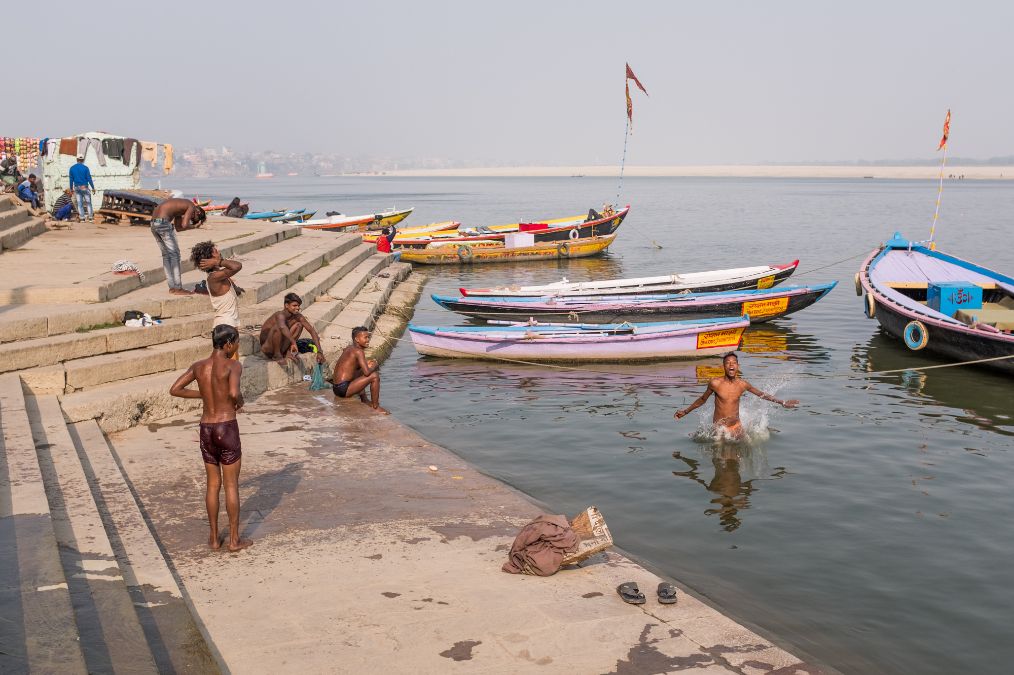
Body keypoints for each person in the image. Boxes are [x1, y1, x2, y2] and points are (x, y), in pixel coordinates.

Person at [168, 324, 252, 552]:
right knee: (231, 484)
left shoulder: (198, 367)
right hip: (226, 426)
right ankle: (234, 540)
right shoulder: (233, 365)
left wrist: (204, 393)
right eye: (235, 343)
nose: (236, 347)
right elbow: (234, 392)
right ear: (227, 344)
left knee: (213, 484)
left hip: (206, 428)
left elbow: (175, 389)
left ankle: (214, 538)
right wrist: (240, 402)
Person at [674, 352, 798, 440]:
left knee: (743, 452)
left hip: (736, 426)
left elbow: (762, 394)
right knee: (720, 460)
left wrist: (782, 402)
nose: (731, 365)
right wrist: (685, 412)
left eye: (734, 363)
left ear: (738, 366)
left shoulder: (742, 384)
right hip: (720, 428)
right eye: (728, 363)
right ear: (724, 367)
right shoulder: (715, 383)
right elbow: (702, 400)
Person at [150, 198, 206, 295]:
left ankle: (172, 288)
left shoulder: (180, 208)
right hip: (163, 223)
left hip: (154, 223)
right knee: (175, 255)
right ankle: (178, 288)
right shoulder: (191, 206)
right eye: (194, 219)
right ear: (197, 212)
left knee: (166, 255)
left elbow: (179, 228)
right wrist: (194, 226)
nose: (191, 220)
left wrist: (191, 226)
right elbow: (184, 225)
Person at [329, 326, 386, 413]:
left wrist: (367, 365)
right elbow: (367, 373)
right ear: (357, 339)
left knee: (364, 369)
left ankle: (364, 399)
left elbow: (354, 368)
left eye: (368, 337)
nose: (368, 340)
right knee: (374, 376)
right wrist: (374, 366)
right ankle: (375, 406)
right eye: (365, 337)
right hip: (343, 389)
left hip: (336, 388)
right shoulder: (359, 351)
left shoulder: (349, 348)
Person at [258, 292, 326, 364]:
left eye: (298, 306)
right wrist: (294, 343)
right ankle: (277, 355)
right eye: (294, 305)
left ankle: (287, 351)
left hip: (282, 347)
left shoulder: (298, 316)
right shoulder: (279, 315)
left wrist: (319, 351)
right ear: (286, 305)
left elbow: (312, 331)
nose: (297, 308)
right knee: (278, 327)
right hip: (268, 348)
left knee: (299, 325)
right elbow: (282, 327)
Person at [191, 240, 243, 335]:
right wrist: (217, 261)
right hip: (225, 324)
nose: (219, 253)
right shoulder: (213, 277)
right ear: (209, 259)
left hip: (229, 322)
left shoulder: (219, 274)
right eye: (215, 252)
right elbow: (237, 266)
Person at [68, 155, 95, 222]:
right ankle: (90, 218)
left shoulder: (72, 168)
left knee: (80, 203)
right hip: (84, 187)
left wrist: (71, 189)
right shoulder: (85, 168)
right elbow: (89, 178)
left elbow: (71, 179)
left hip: (77, 187)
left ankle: (82, 218)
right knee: (88, 203)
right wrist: (93, 187)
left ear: (77, 159)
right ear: (83, 160)